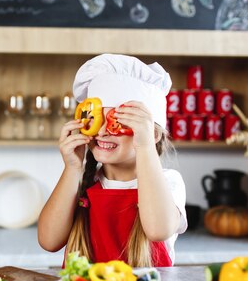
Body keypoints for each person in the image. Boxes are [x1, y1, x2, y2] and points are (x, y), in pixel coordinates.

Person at [38, 54, 187, 267]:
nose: (103, 132)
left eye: (118, 122)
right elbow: (48, 241)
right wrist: (71, 168)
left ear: (153, 135)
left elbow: (158, 230)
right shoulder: (80, 182)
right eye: (96, 120)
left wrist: (144, 147)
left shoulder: (168, 182)